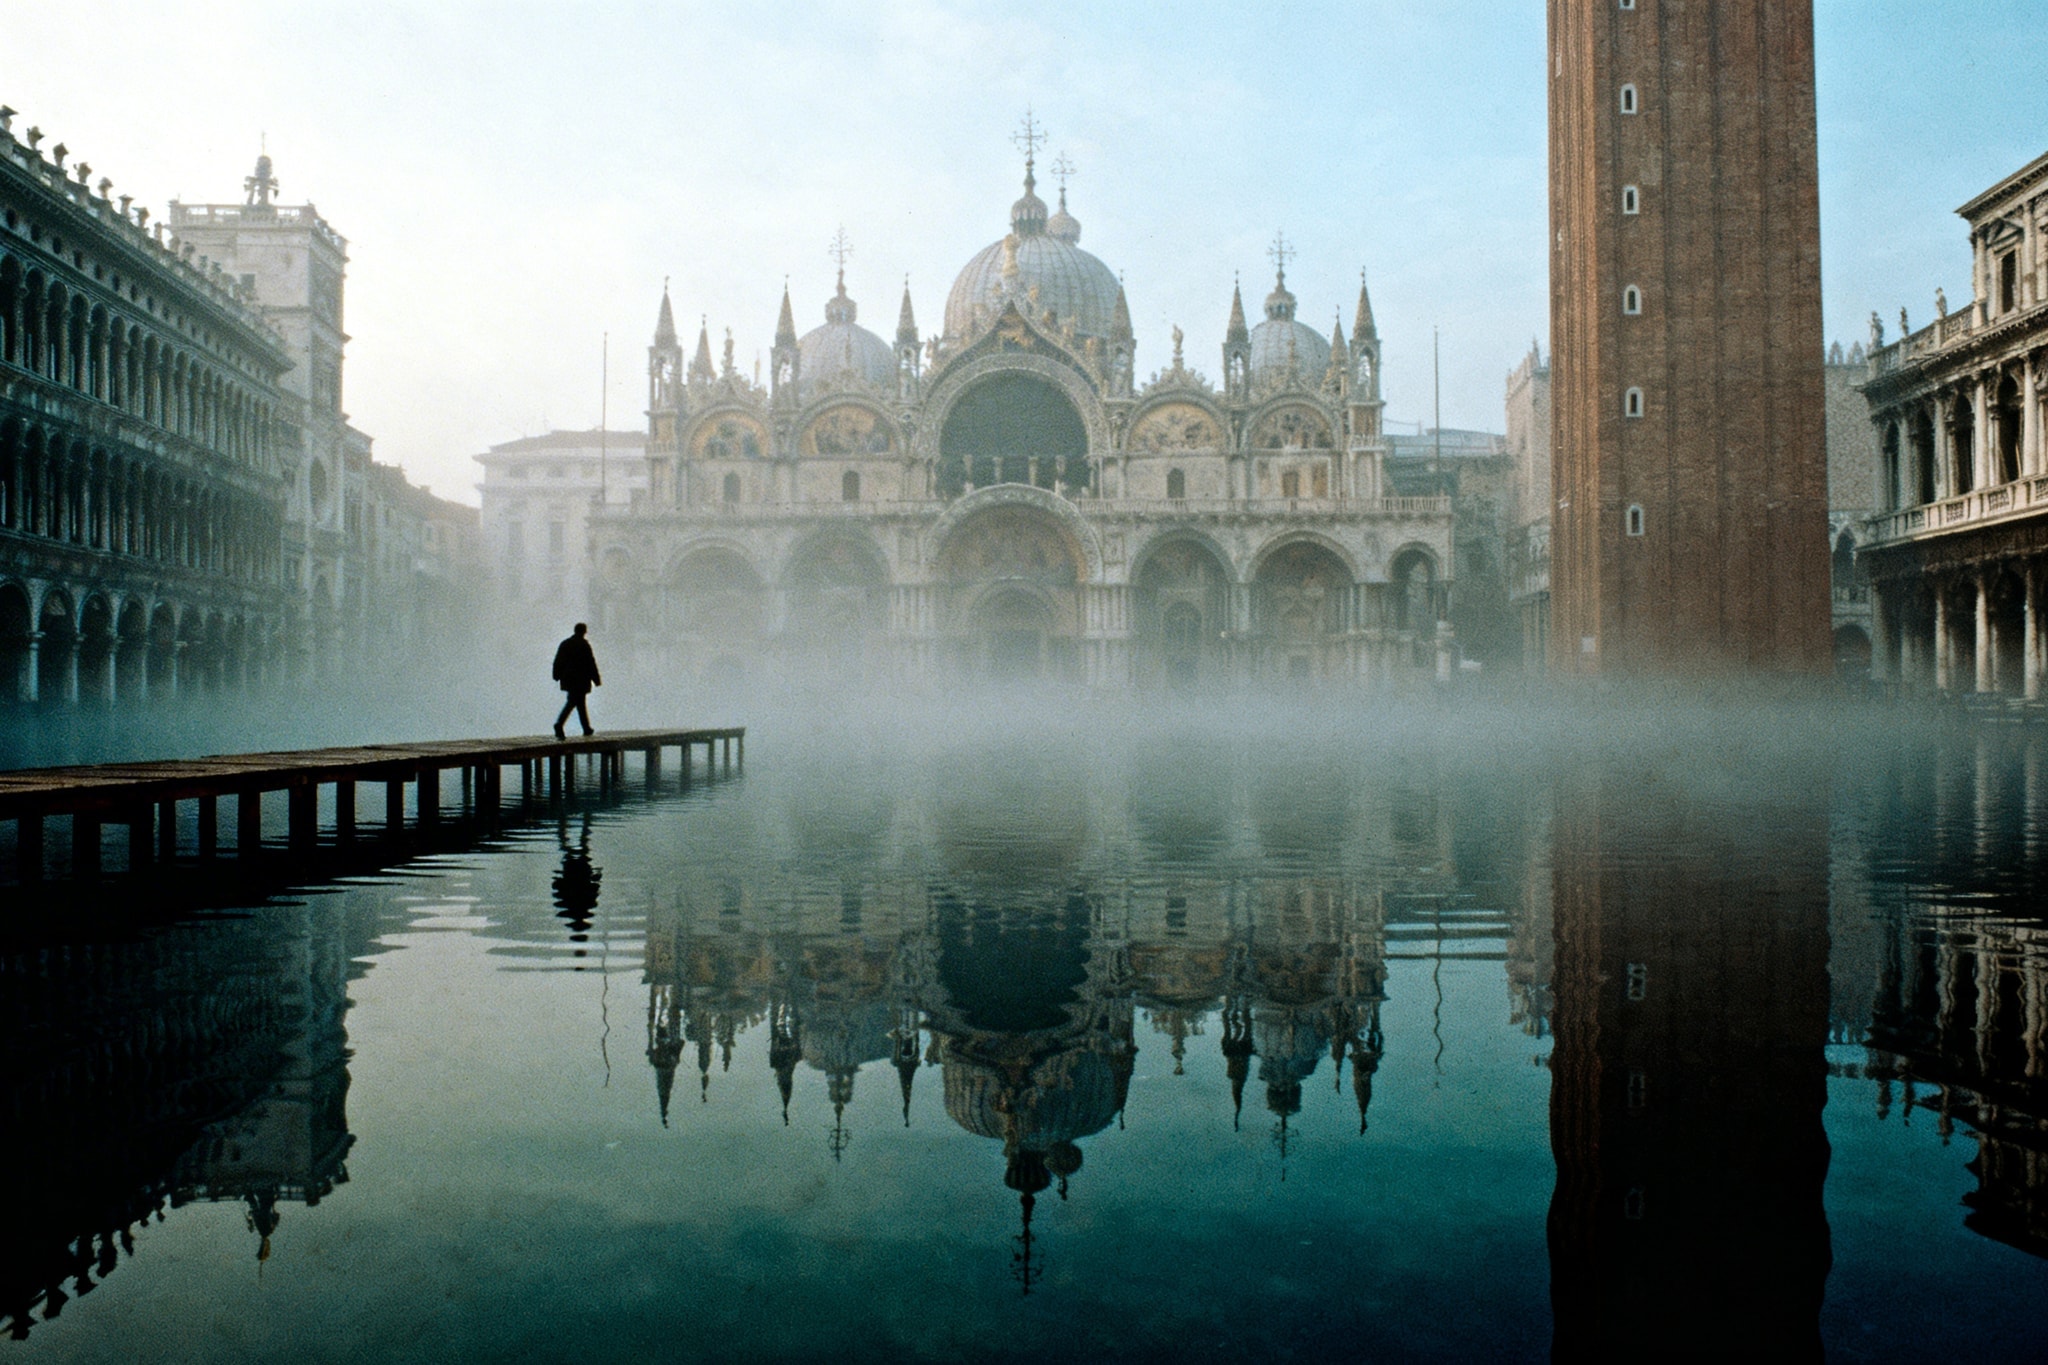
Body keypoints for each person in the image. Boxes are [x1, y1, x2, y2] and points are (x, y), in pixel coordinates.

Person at [551, 622, 601, 738]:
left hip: (569, 679)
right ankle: (560, 724)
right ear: (584, 632)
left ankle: (586, 727)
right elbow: (590, 663)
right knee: (574, 702)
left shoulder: (565, 644)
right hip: (581, 679)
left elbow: (558, 661)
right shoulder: (584, 645)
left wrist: (556, 675)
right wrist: (596, 679)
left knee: (578, 702)